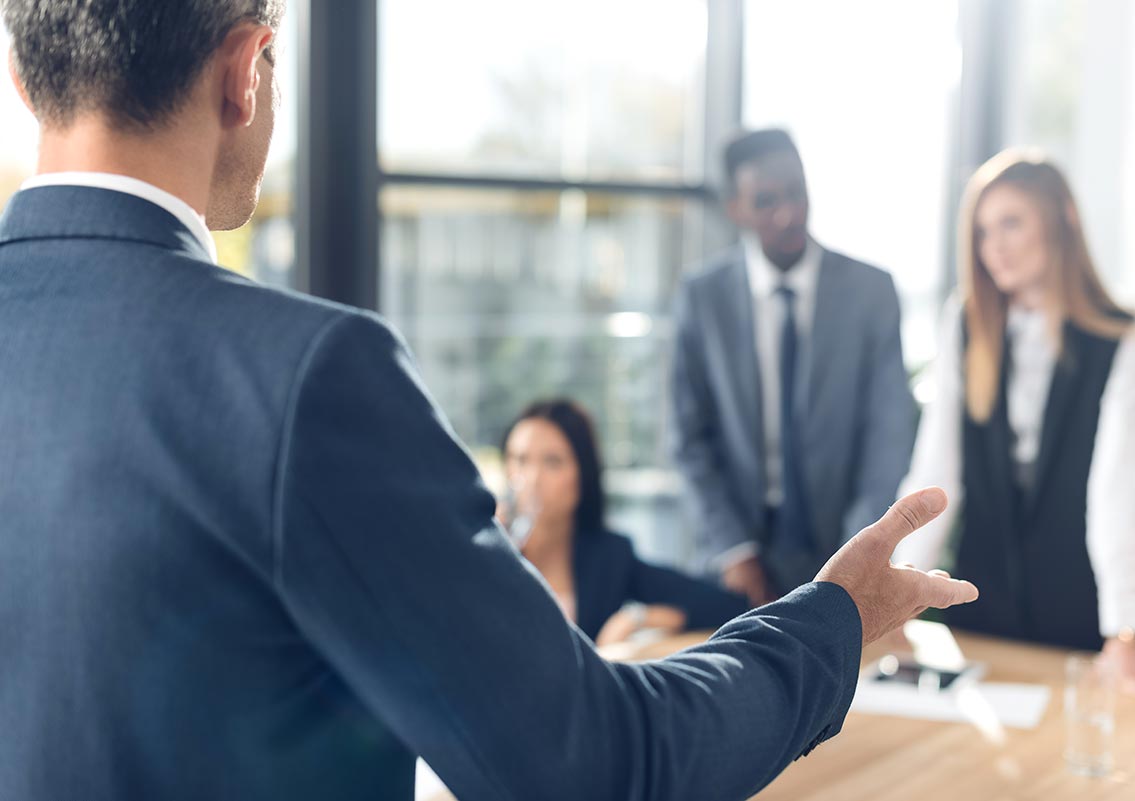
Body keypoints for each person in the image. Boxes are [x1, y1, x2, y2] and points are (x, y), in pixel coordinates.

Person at [0, 2, 979, 798]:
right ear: (245, 70)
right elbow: (589, 763)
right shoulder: (303, 375)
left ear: (22, 75)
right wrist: (832, 621)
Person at [894, 150, 1135, 704]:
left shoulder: (1123, 339)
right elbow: (937, 473)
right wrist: (893, 593)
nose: (995, 247)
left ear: (1062, 220)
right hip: (980, 611)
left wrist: (1126, 633)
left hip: (1079, 614)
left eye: (1011, 223)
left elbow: (1114, 492)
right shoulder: (965, 324)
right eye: (984, 231)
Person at [671, 128, 917, 606]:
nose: (789, 213)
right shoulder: (702, 298)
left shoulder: (871, 293)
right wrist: (734, 551)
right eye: (766, 200)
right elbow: (687, 440)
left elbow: (887, 434)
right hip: (736, 558)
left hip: (842, 549)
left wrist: (860, 553)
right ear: (735, 208)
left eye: (797, 193)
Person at [501, 399, 749, 645]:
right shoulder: (492, 548)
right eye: (520, 460)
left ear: (583, 475)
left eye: (552, 462)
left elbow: (723, 606)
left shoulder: (608, 556)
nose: (532, 478)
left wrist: (637, 618)